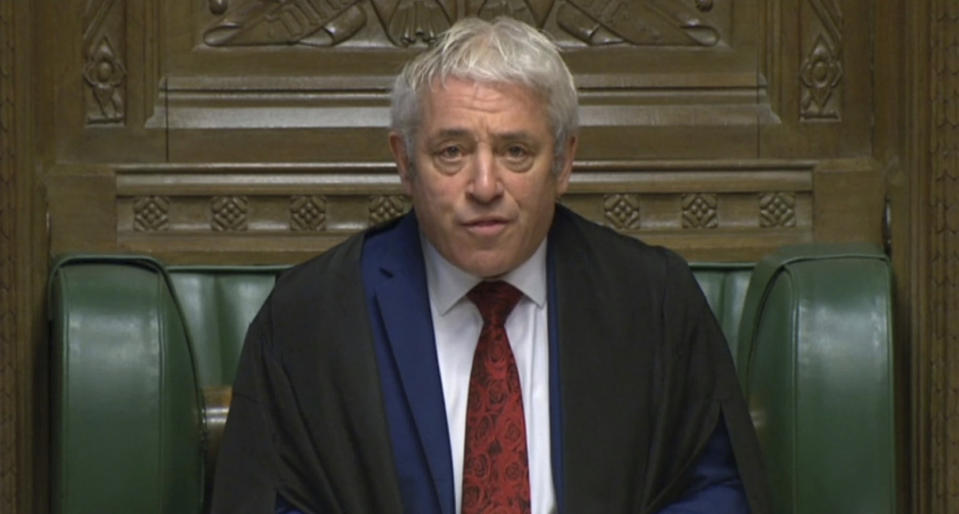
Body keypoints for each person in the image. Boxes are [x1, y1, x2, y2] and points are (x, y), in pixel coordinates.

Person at [211, 16, 770, 514]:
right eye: (451, 151)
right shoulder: (312, 316)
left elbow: (714, 489)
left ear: (565, 161)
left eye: (515, 152)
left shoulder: (653, 300)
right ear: (405, 164)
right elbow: (269, 499)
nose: (484, 186)